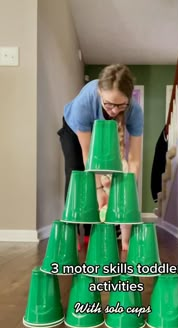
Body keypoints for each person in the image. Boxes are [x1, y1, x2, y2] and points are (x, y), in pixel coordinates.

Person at [57, 64, 144, 251]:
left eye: (121, 105)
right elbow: (88, 154)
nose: (114, 111)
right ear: (99, 93)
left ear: (129, 99)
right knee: (77, 174)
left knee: (115, 176)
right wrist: (99, 189)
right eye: (109, 104)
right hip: (74, 131)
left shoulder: (134, 111)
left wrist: (125, 193)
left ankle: (92, 233)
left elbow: (135, 159)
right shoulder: (84, 103)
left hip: (103, 131)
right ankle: (72, 234)